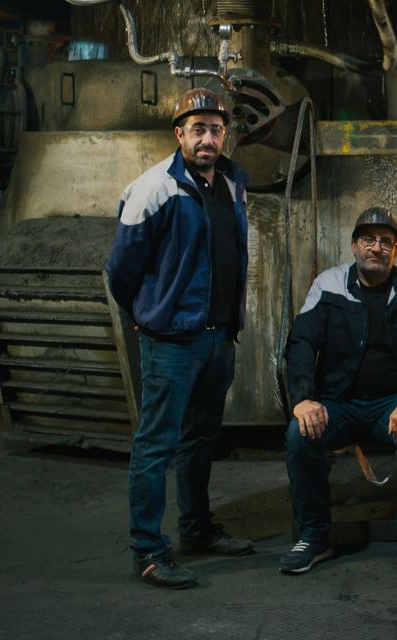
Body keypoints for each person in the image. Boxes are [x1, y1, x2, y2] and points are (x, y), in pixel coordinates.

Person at [107, 87, 255, 589]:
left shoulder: (233, 183)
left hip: (219, 337)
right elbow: (121, 269)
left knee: (201, 440)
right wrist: (145, 312)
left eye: (215, 129)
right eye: (197, 130)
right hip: (171, 341)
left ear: (224, 134)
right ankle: (148, 551)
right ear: (179, 134)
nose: (207, 138)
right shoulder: (155, 188)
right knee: (156, 444)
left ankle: (196, 530)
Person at [280, 207, 397, 577]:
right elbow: (302, 341)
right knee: (299, 434)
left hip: (391, 403)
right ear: (354, 246)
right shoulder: (329, 284)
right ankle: (314, 536)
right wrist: (304, 399)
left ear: (396, 250)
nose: (376, 247)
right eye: (368, 239)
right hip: (338, 403)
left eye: (386, 241)